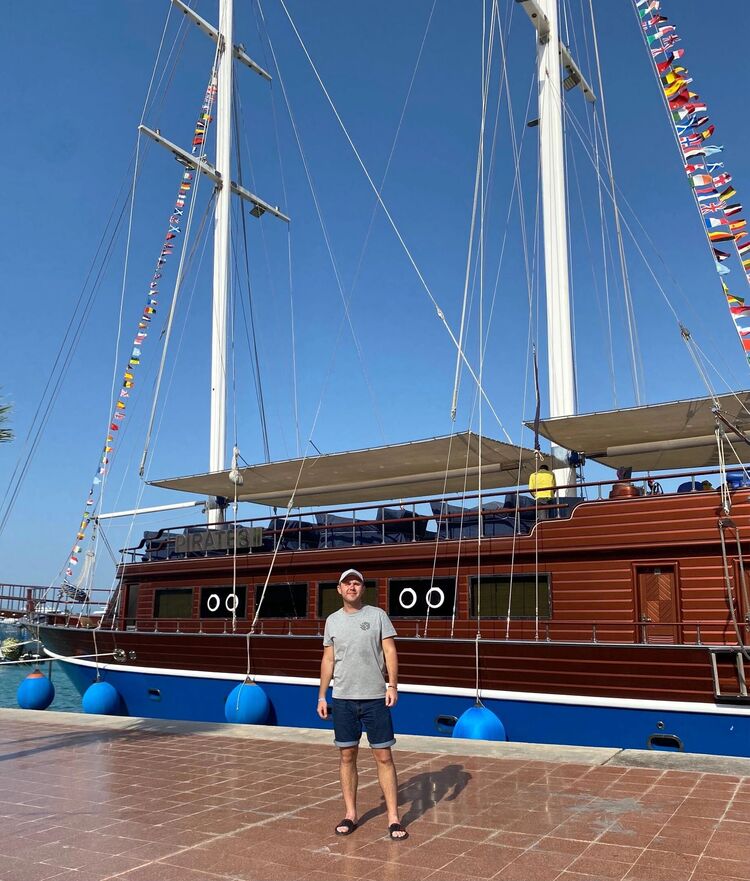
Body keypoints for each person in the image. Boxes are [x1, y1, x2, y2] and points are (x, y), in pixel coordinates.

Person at [317, 568, 408, 841]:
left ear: (362, 589)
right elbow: (328, 660)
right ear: (339, 589)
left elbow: (390, 651)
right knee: (347, 756)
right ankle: (350, 814)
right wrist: (322, 695)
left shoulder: (378, 616)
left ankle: (393, 818)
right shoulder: (332, 621)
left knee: (384, 756)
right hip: (342, 699)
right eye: (347, 583)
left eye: (356, 583)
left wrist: (392, 685)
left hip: (375, 698)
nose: (352, 587)